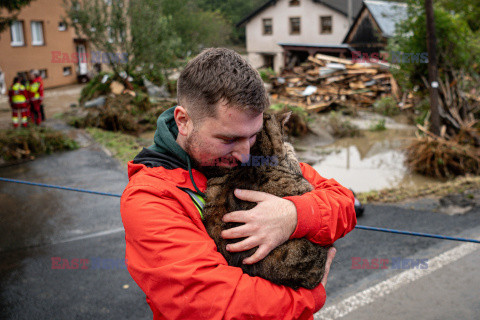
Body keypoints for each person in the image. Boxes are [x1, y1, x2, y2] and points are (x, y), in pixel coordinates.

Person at [120, 48, 357, 320]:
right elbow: (210, 304)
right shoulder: (150, 197)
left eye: (253, 135)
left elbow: (345, 202)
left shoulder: (260, 155)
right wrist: (308, 298)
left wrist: (295, 215)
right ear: (183, 121)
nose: (245, 155)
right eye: (228, 140)